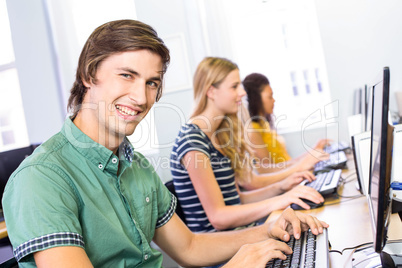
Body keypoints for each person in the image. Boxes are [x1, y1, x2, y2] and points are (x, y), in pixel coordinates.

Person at [2, 20, 328, 268]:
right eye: (126, 76)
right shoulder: (41, 180)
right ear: (89, 75)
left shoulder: (137, 166)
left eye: (151, 83)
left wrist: (268, 230)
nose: (141, 97)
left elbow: (189, 247)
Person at [170, 57, 325, 236]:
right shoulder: (192, 141)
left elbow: (237, 200)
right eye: (234, 86)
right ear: (211, 91)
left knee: (311, 228)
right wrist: (279, 200)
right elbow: (218, 217)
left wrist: (282, 187)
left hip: (242, 234)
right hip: (222, 251)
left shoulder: (220, 135)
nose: (242, 92)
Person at [242, 72, 329, 173]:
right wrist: (307, 160)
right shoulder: (253, 130)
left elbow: (287, 162)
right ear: (256, 99)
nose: (273, 100)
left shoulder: (264, 124)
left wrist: (312, 152)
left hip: (293, 174)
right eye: (270, 97)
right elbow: (267, 171)